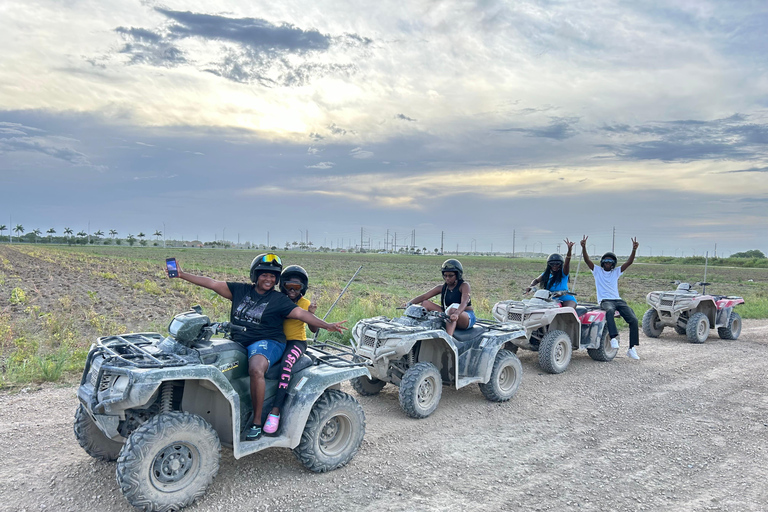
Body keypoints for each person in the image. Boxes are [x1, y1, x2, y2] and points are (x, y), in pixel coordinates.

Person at [169, 254, 346, 440]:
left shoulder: (278, 299)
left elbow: (302, 314)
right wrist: (181, 274)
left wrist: (327, 325)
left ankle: (257, 421)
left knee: (256, 367)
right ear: (255, 275)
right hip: (239, 340)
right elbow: (212, 283)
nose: (268, 279)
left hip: (269, 342)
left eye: (272, 276)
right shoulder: (240, 290)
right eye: (264, 275)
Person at [263, 265, 316, 435]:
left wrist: (312, 314)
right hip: (277, 340)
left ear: (303, 288)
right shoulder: (278, 299)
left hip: (296, 342)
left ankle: (275, 412)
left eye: (297, 287)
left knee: (286, 366)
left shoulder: (305, 303)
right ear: (283, 286)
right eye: (289, 286)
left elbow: (314, 330)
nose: (292, 290)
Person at [580, 236, 641, 360]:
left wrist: (634, 250)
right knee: (609, 311)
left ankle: (631, 348)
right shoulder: (597, 271)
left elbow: (629, 263)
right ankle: (613, 338)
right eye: (606, 262)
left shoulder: (616, 272)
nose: (608, 264)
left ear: (613, 264)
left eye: (610, 262)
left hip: (618, 300)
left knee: (633, 319)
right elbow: (587, 261)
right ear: (602, 262)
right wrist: (584, 247)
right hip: (605, 300)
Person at [406, 259, 475, 336]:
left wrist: (456, 313)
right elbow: (424, 296)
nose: (447, 278)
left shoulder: (464, 286)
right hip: (448, 314)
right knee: (425, 303)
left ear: (458, 275)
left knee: (452, 310)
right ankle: (418, 330)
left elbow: (464, 302)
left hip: (465, 316)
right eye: (445, 276)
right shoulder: (442, 288)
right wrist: (409, 304)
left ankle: (448, 339)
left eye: (450, 276)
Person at [527, 239, 577, 308]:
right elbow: (536, 280)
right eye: (552, 264)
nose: (554, 266)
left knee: (567, 311)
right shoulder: (546, 274)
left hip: (566, 299)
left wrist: (569, 250)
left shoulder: (564, 273)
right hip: (550, 300)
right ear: (548, 265)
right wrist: (531, 286)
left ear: (561, 264)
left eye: (557, 264)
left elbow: (567, 263)